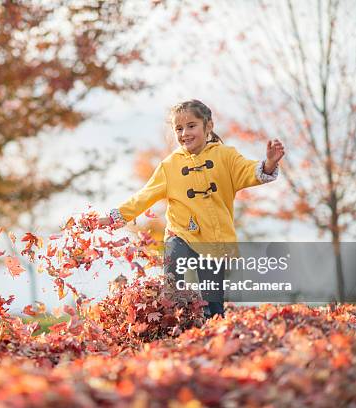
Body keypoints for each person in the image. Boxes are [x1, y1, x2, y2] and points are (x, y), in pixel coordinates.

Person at [98, 99, 285, 319]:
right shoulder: (170, 166)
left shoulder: (225, 156)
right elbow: (144, 196)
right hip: (180, 233)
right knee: (172, 274)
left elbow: (249, 171)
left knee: (213, 302)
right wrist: (114, 217)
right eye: (179, 128)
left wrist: (269, 164)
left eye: (191, 125)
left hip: (214, 240)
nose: (185, 133)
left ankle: (211, 331)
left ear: (208, 126)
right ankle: (172, 319)